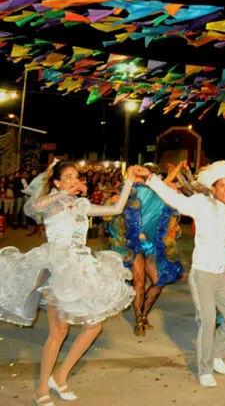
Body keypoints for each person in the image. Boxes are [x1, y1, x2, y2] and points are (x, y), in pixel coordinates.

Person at [0, 160, 137, 406]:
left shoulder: (81, 204)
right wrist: (62, 194)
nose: (75, 179)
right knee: (59, 331)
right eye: (69, 176)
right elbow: (33, 206)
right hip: (59, 269)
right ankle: (41, 389)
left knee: (94, 327)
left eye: (76, 176)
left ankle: (60, 377)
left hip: (82, 269)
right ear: (57, 181)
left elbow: (116, 209)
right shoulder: (52, 203)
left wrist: (129, 180)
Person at [136, 154, 225, 388]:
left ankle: (216, 357)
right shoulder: (200, 204)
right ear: (213, 188)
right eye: (222, 185)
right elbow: (173, 198)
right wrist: (151, 178)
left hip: (221, 275)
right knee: (208, 320)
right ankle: (204, 368)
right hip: (202, 274)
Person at [106, 162, 185, 336]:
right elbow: (108, 213)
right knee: (139, 282)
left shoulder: (157, 191)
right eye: (135, 175)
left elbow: (168, 194)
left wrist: (177, 175)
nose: (138, 179)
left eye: (141, 175)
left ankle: (143, 313)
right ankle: (139, 320)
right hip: (131, 245)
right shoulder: (125, 193)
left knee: (158, 280)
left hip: (150, 245)